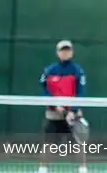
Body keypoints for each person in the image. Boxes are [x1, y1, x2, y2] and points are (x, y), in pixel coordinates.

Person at [38, 39, 87, 173]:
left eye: (68, 50)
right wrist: (55, 106)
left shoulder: (78, 70)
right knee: (48, 144)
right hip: (53, 114)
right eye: (63, 50)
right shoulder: (49, 70)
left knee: (77, 144)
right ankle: (42, 169)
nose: (65, 53)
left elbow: (81, 91)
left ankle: (83, 169)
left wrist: (73, 110)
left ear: (72, 52)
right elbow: (44, 90)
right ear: (57, 53)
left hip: (72, 115)